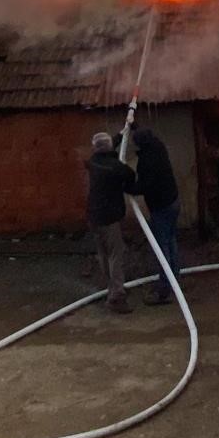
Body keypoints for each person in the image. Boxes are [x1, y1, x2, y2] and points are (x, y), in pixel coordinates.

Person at [127, 128, 180, 305]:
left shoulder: (147, 161)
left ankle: (164, 290)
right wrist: (133, 126)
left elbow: (144, 186)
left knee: (162, 247)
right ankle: (174, 279)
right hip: (173, 201)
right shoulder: (158, 146)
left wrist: (127, 187)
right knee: (171, 241)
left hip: (161, 207)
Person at [85, 132, 136, 314]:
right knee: (116, 255)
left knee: (104, 254)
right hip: (109, 218)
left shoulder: (92, 162)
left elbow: (105, 149)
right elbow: (130, 175)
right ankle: (117, 297)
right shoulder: (116, 168)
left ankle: (111, 288)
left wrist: (120, 135)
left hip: (93, 217)